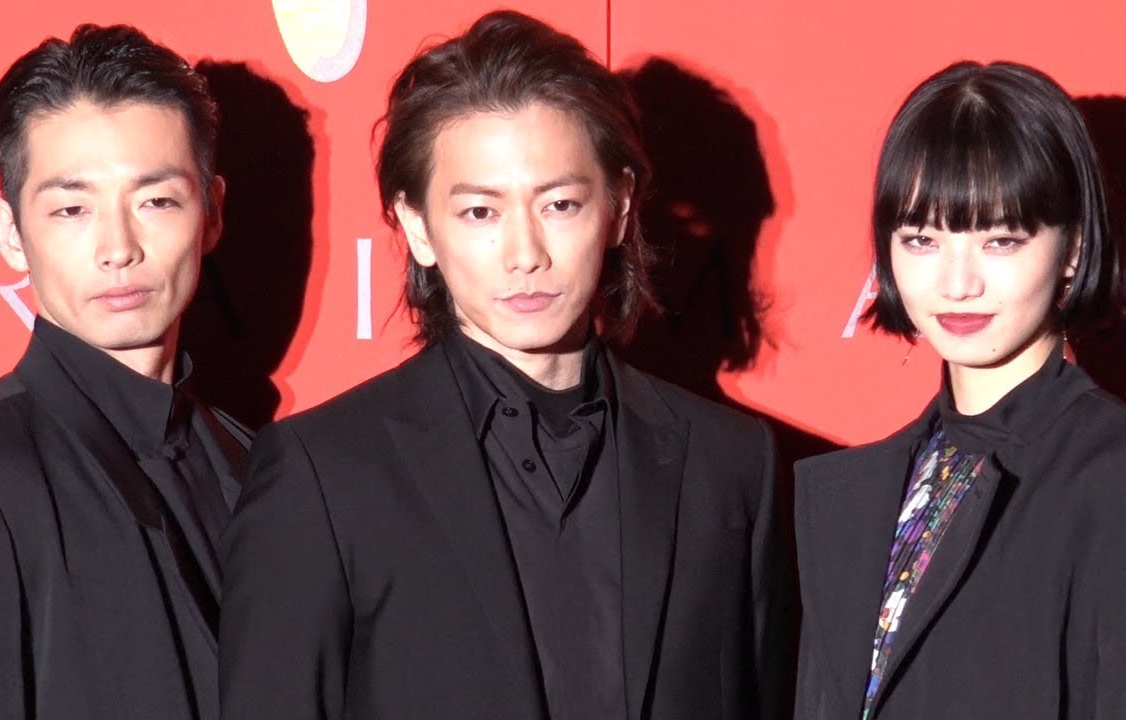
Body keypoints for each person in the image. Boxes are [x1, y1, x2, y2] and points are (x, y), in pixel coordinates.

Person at [220, 10, 790, 720]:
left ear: (618, 207)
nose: (526, 254)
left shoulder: (730, 467)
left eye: (560, 204)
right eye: (480, 213)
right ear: (418, 227)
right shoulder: (323, 475)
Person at [794, 61, 1126, 719]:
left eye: (1000, 240)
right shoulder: (853, 496)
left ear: (1072, 249)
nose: (956, 283)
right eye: (922, 239)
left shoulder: (1110, 481)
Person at [0, 24, 250, 720]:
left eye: (156, 201)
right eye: (72, 209)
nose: (118, 248)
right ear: (9, 233)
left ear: (212, 212)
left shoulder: (258, 466)